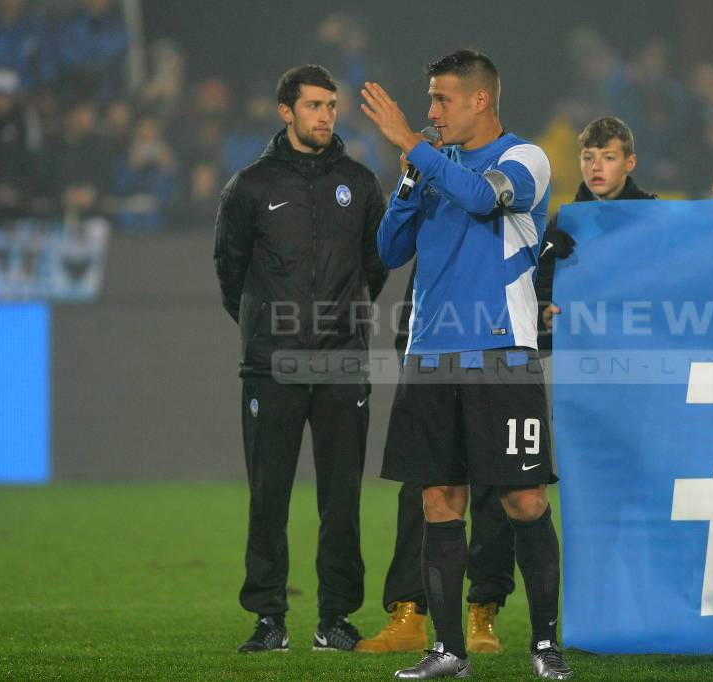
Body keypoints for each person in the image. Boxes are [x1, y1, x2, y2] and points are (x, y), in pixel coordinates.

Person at [360, 49, 574, 680]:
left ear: (481, 99)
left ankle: (543, 643)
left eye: (441, 100)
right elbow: (390, 248)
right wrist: (407, 177)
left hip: (500, 354)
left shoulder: (523, 158)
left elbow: (484, 201)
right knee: (438, 500)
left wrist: (412, 146)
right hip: (429, 354)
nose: (430, 113)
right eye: (427, 101)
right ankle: (447, 650)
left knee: (525, 499)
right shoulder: (431, 165)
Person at [214, 64, 388, 654]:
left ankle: (335, 618)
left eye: (331, 106)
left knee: (342, 501)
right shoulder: (251, 187)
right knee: (269, 498)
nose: (325, 116)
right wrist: (270, 333)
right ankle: (268, 619)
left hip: (342, 365)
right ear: (285, 111)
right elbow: (230, 273)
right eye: (313, 105)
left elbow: (376, 266)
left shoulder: (362, 184)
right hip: (274, 366)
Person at [356, 266, 517, 656]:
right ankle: (409, 611)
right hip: (433, 358)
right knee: (421, 486)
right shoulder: (435, 213)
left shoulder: (506, 216)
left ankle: (483, 607)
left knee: (494, 486)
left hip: (497, 355)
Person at [537, 116, 657, 348]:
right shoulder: (563, 224)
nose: (596, 167)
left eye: (609, 158)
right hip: (582, 353)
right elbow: (541, 282)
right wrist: (544, 311)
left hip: (640, 347)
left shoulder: (653, 219)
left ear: (629, 163)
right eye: (588, 158)